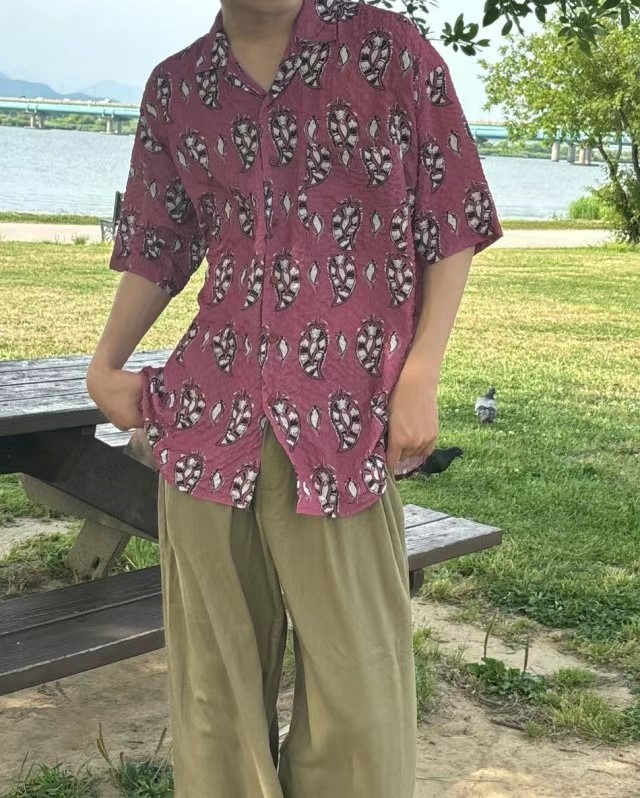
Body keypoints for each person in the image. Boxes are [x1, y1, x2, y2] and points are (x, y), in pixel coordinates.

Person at [86, 0, 503, 795]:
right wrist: (107, 362)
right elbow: (157, 244)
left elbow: (450, 217)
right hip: (209, 429)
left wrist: (421, 371)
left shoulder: (387, 51)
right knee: (216, 705)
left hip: (345, 429)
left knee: (362, 706)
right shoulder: (178, 88)